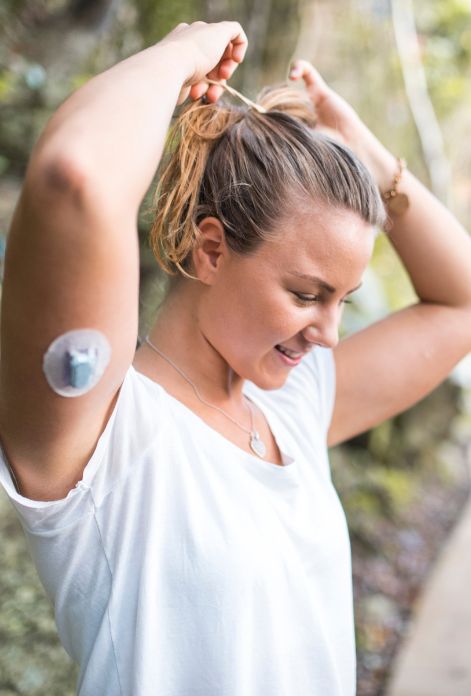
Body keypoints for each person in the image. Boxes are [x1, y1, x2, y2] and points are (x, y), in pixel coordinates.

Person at [0, 19, 470, 696]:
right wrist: (182, 53)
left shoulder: (292, 408)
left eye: (342, 301)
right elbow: (76, 178)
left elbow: (457, 305)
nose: (328, 334)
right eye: (307, 294)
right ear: (211, 249)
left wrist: (365, 155)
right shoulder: (100, 434)